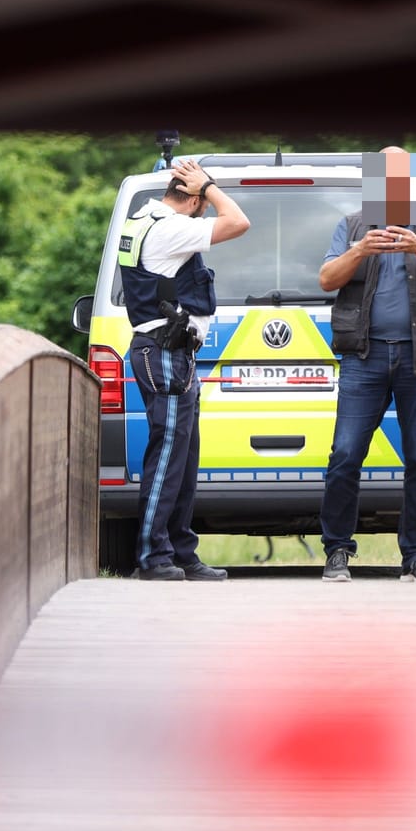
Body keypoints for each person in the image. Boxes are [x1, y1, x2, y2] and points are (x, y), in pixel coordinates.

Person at [316, 148, 416, 582]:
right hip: (364, 358)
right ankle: (337, 552)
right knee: (345, 455)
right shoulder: (351, 226)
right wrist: (361, 249)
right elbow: (327, 279)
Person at [117, 156, 251, 581]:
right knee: (169, 456)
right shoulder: (171, 228)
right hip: (164, 352)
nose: (208, 210)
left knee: (182, 457)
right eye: (203, 203)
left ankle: (179, 551)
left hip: (167, 351)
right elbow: (239, 222)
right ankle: (153, 557)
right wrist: (208, 185)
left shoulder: (142, 218)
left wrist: (196, 184)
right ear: (192, 200)